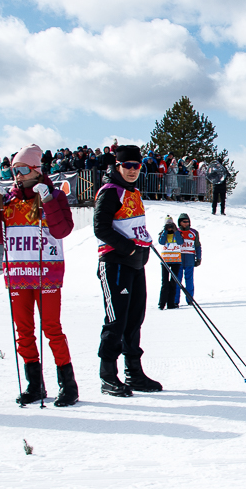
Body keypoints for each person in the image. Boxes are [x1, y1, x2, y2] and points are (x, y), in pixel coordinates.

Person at [0, 145, 79, 407]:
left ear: (37, 170)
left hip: (46, 274)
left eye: (23, 169)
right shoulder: (9, 200)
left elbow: (62, 231)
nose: (18, 175)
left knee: (51, 328)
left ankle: (68, 385)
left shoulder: (55, 196)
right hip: (18, 275)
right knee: (23, 331)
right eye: (13, 170)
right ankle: (34, 384)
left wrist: (48, 200)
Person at [94, 145, 163, 396]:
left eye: (137, 166)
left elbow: (132, 226)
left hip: (135, 264)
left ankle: (134, 373)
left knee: (135, 320)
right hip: (115, 263)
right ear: (118, 166)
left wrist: (143, 244)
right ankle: (108, 376)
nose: (133, 170)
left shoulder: (132, 192)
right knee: (116, 320)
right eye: (128, 166)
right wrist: (130, 249)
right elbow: (101, 228)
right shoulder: (110, 191)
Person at [157, 216, 184, 310]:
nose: (169, 227)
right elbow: (161, 242)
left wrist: (175, 230)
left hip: (176, 260)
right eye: (167, 225)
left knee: (174, 282)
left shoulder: (178, 233)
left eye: (170, 225)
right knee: (164, 283)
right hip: (165, 261)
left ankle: (171, 303)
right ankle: (161, 303)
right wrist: (165, 231)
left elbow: (180, 242)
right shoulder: (162, 234)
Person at [175, 212, 201, 306]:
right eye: (184, 221)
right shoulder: (176, 232)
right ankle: (175, 301)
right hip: (178, 260)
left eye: (188, 221)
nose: (187, 223)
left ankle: (190, 299)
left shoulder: (194, 232)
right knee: (177, 280)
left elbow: (197, 246)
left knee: (189, 281)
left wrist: (198, 258)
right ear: (180, 222)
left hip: (190, 259)